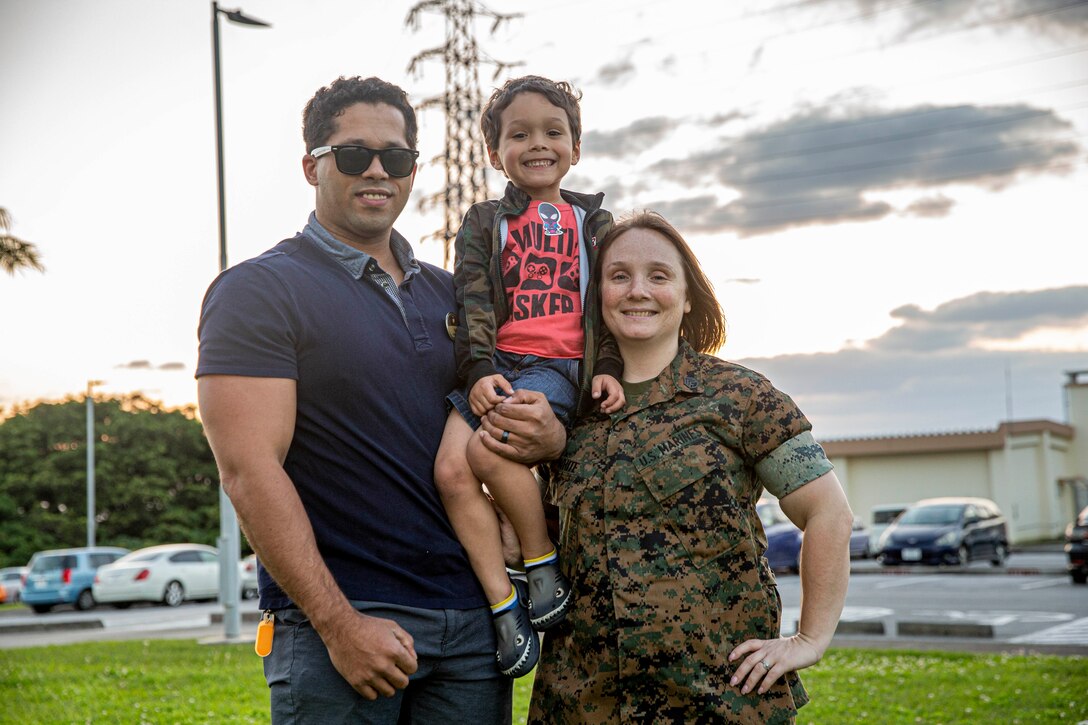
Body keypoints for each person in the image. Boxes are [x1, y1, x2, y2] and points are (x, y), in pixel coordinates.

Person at [196, 75, 565, 724]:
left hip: (474, 627)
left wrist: (542, 451)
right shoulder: (258, 291)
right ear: (311, 165)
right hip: (343, 625)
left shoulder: (455, 294)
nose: (376, 170)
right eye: (352, 154)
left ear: (413, 170)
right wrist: (338, 622)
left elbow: (512, 417)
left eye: (394, 157)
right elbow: (249, 470)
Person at [515, 211, 855, 723]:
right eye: (618, 276)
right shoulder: (566, 413)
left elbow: (829, 513)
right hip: (581, 704)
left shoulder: (740, 397)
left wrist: (809, 640)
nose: (637, 291)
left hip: (720, 701)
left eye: (659, 275)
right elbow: (536, 536)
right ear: (596, 294)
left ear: (688, 295)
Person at [433, 75, 624, 678]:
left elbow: (607, 310)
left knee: (490, 456)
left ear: (575, 147)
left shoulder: (593, 224)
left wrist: (611, 369)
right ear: (495, 153)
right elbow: (472, 301)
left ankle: (540, 561)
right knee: (449, 470)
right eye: (519, 134)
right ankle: (504, 602)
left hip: (555, 368)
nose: (537, 143)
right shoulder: (485, 221)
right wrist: (480, 369)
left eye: (553, 131)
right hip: (498, 365)